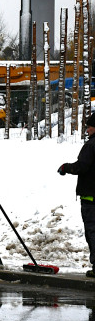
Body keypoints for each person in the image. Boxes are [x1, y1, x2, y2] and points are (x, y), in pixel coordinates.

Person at [57, 113, 95, 278]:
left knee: (92, 232)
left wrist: (66, 167)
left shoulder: (91, 145)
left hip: (91, 198)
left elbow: (82, 166)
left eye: (88, 126)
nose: (87, 130)